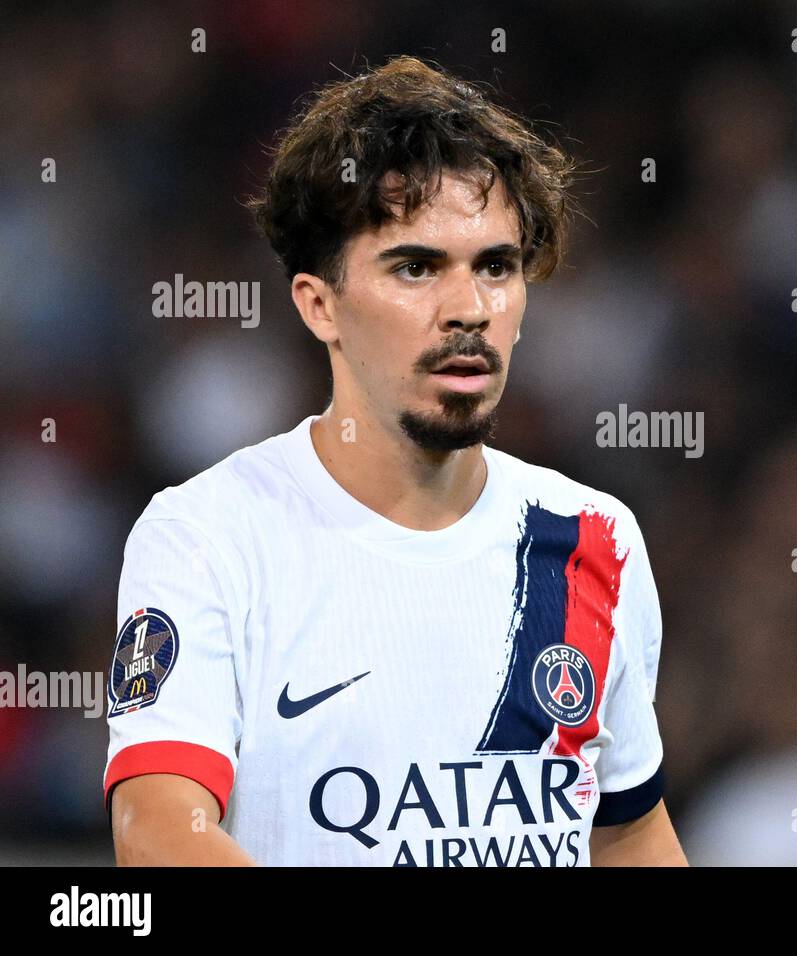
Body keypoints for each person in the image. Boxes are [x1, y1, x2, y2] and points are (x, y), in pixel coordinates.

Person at [104, 56, 686, 867]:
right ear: (319, 304)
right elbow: (160, 832)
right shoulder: (209, 535)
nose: (469, 309)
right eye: (416, 267)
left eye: (496, 266)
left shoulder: (597, 536)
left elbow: (627, 832)